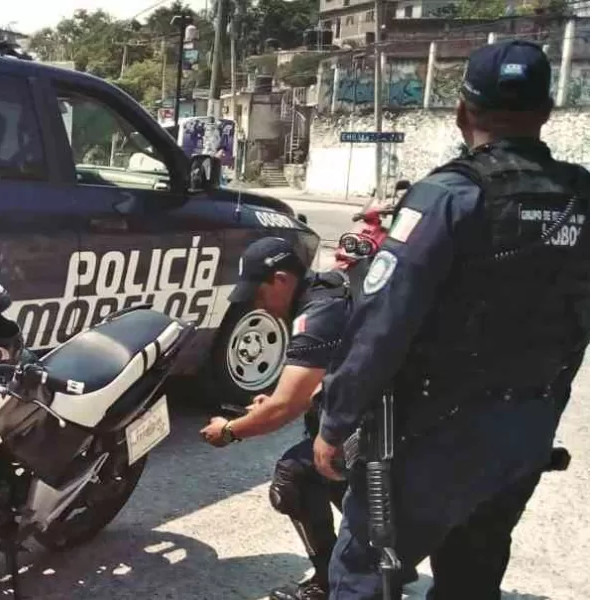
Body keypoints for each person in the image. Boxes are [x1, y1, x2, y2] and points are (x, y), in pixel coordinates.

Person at [313, 40, 590, 598]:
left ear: (463, 111)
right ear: (546, 112)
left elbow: (381, 325)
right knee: (473, 575)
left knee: (367, 572)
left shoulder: (447, 196)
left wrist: (335, 421)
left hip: (432, 432)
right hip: (528, 429)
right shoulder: (580, 194)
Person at [200, 237, 353, 600]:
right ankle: (364, 563)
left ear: (281, 280)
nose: (257, 305)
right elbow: (317, 383)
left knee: (295, 476)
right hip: (391, 420)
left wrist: (229, 431)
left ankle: (335, 582)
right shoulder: (326, 295)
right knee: (321, 456)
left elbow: (285, 407)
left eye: (258, 293)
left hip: (391, 434)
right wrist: (290, 399)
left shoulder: (318, 313)